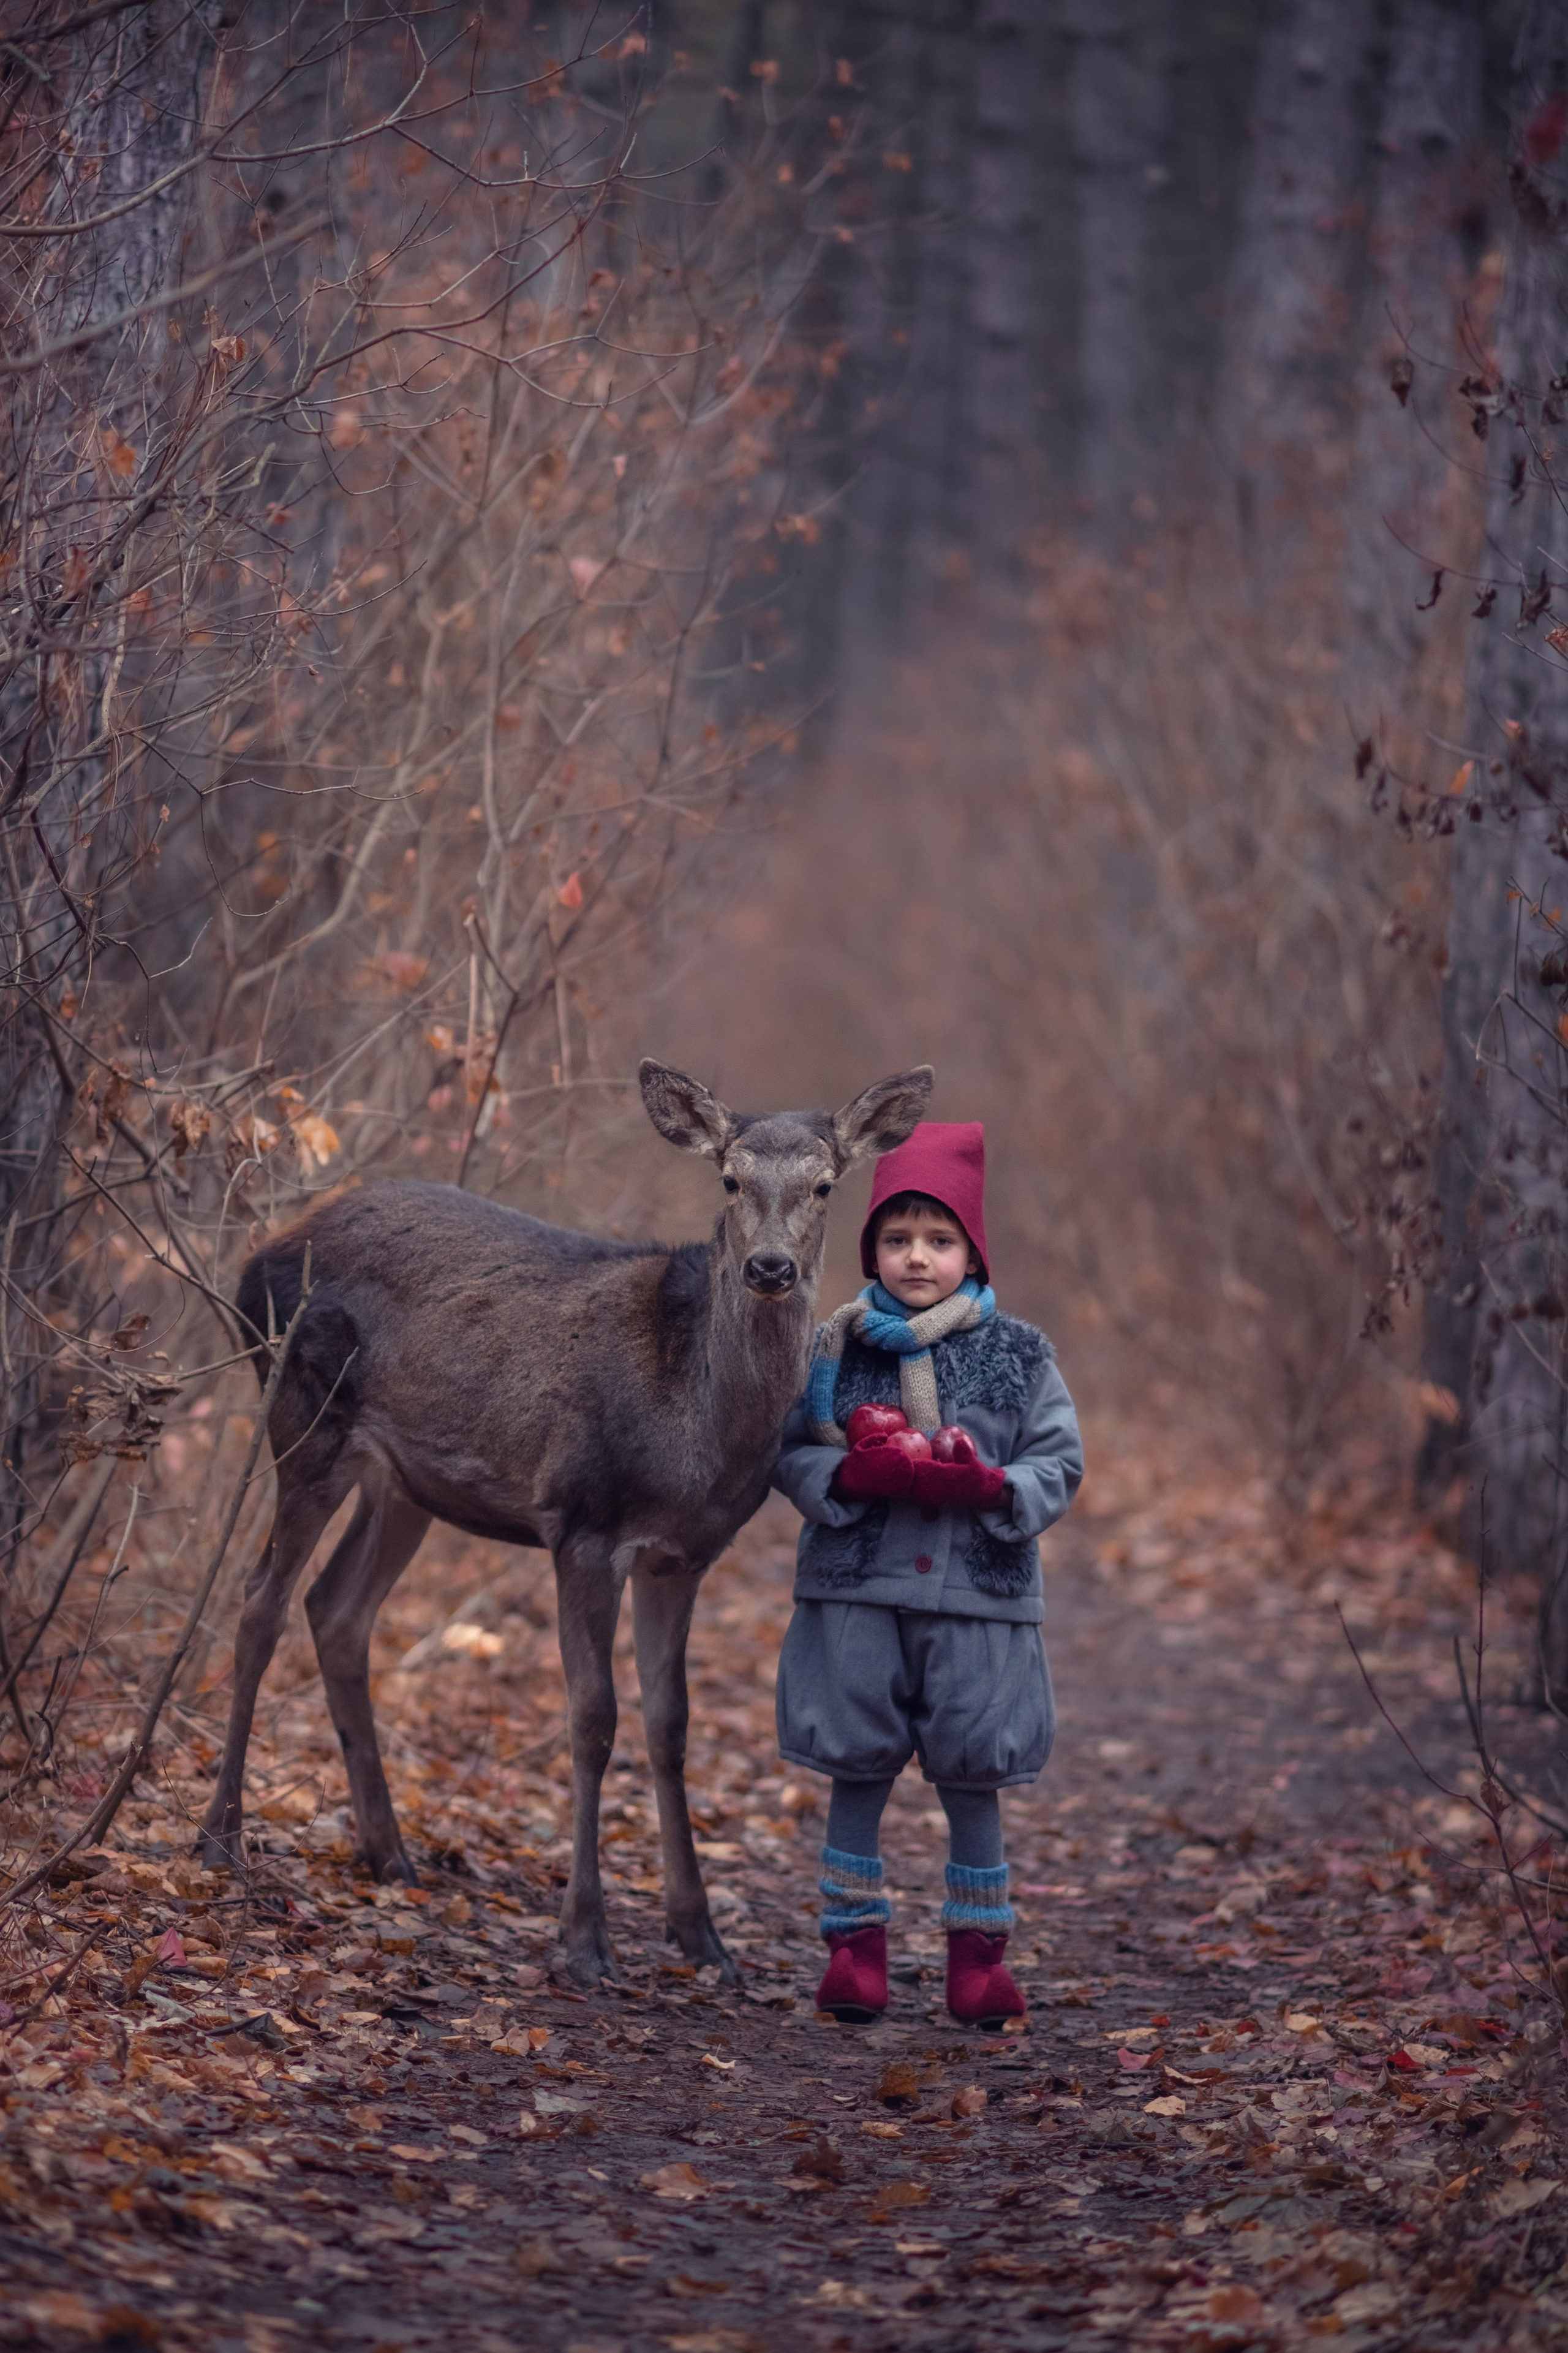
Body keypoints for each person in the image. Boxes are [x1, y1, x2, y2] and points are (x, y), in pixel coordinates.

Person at [772, 1120, 1083, 2029]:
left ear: (973, 1251)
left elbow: (1059, 1463)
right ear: (872, 1247)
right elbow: (786, 1450)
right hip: (857, 1594)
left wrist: (993, 1485)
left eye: (940, 1241)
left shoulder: (1022, 1355)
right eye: (899, 1239)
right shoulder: (835, 1349)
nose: (918, 1258)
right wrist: (840, 1475)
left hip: (976, 1597)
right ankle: (853, 1952)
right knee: (854, 1763)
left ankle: (978, 1962)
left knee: (972, 1770)